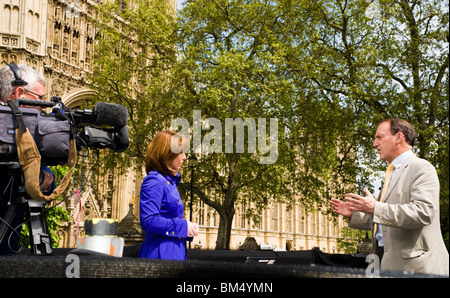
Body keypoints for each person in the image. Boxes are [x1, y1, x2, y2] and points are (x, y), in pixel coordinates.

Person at [331, 118, 449, 276]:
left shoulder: (422, 168)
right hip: (385, 265)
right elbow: (385, 221)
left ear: (398, 137)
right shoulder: (391, 174)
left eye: (379, 137)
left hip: (416, 269)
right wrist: (355, 213)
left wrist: (375, 207)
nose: (374, 144)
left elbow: (423, 212)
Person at [0, 63, 55, 254]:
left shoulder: (27, 131)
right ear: (19, 93)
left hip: (8, 248)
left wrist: (44, 178)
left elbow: (43, 184)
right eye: (40, 99)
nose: (44, 106)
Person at [139, 130, 199, 260]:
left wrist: (188, 228)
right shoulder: (154, 181)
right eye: (180, 152)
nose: (184, 157)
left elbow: (169, 218)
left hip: (173, 252)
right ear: (166, 154)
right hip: (160, 255)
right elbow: (148, 220)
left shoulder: (169, 183)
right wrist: (183, 226)